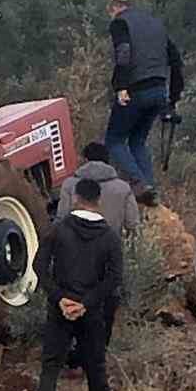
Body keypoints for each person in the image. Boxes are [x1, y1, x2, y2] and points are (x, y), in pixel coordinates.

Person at [32, 177, 123, 391]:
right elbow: (114, 278)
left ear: (75, 198)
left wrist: (60, 299)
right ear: (98, 201)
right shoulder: (109, 237)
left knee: (50, 367)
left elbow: (39, 267)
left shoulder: (57, 230)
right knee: (95, 368)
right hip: (93, 312)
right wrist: (86, 302)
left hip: (60, 310)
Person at [58, 141, 138, 352]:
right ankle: (99, 351)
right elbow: (132, 225)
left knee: (73, 303)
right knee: (105, 304)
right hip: (107, 255)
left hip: (73, 257)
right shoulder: (123, 188)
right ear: (108, 160)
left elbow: (60, 220)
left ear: (85, 159)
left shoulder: (69, 185)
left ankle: (74, 354)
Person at [104, 0, 184, 201]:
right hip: (159, 91)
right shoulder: (156, 24)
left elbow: (123, 52)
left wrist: (121, 86)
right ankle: (150, 188)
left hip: (135, 90)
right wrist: (172, 100)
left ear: (113, 9)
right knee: (137, 141)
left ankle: (141, 185)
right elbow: (176, 61)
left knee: (114, 140)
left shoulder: (120, 23)